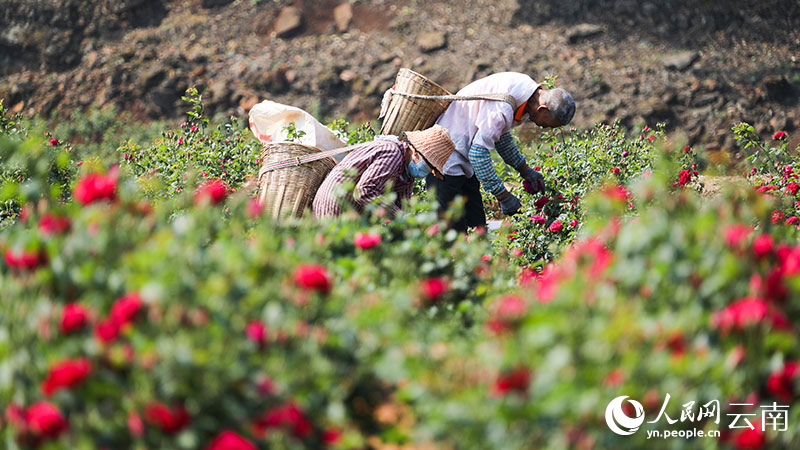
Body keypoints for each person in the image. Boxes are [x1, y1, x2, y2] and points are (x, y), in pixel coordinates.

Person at [429, 72, 576, 231]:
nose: (543, 128)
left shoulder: (525, 89)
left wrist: (525, 170)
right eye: (548, 124)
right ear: (542, 108)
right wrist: (503, 197)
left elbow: (501, 137)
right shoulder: (502, 109)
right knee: (453, 232)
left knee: (477, 227)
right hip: (443, 158)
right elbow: (478, 155)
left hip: (460, 156)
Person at [313, 125, 455, 219]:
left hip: (352, 213)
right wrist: (400, 216)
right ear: (417, 152)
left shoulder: (406, 175)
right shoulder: (392, 154)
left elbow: (400, 207)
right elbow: (364, 191)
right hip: (334, 205)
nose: (427, 172)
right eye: (428, 166)